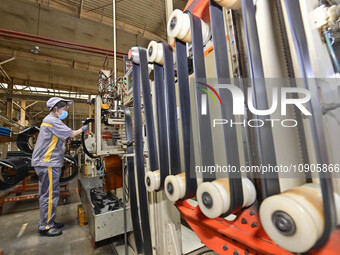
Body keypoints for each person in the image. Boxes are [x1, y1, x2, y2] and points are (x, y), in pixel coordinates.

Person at [31, 97, 88, 237]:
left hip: (47, 162)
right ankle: (46, 226)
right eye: (64, 109)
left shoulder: (50, 120)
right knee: (49, 195)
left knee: (50, 193)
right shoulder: (52, 121)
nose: (66, 111)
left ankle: (49, 221)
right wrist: (85, 127)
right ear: (56, 109)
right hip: (48, 163)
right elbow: (72, 134)